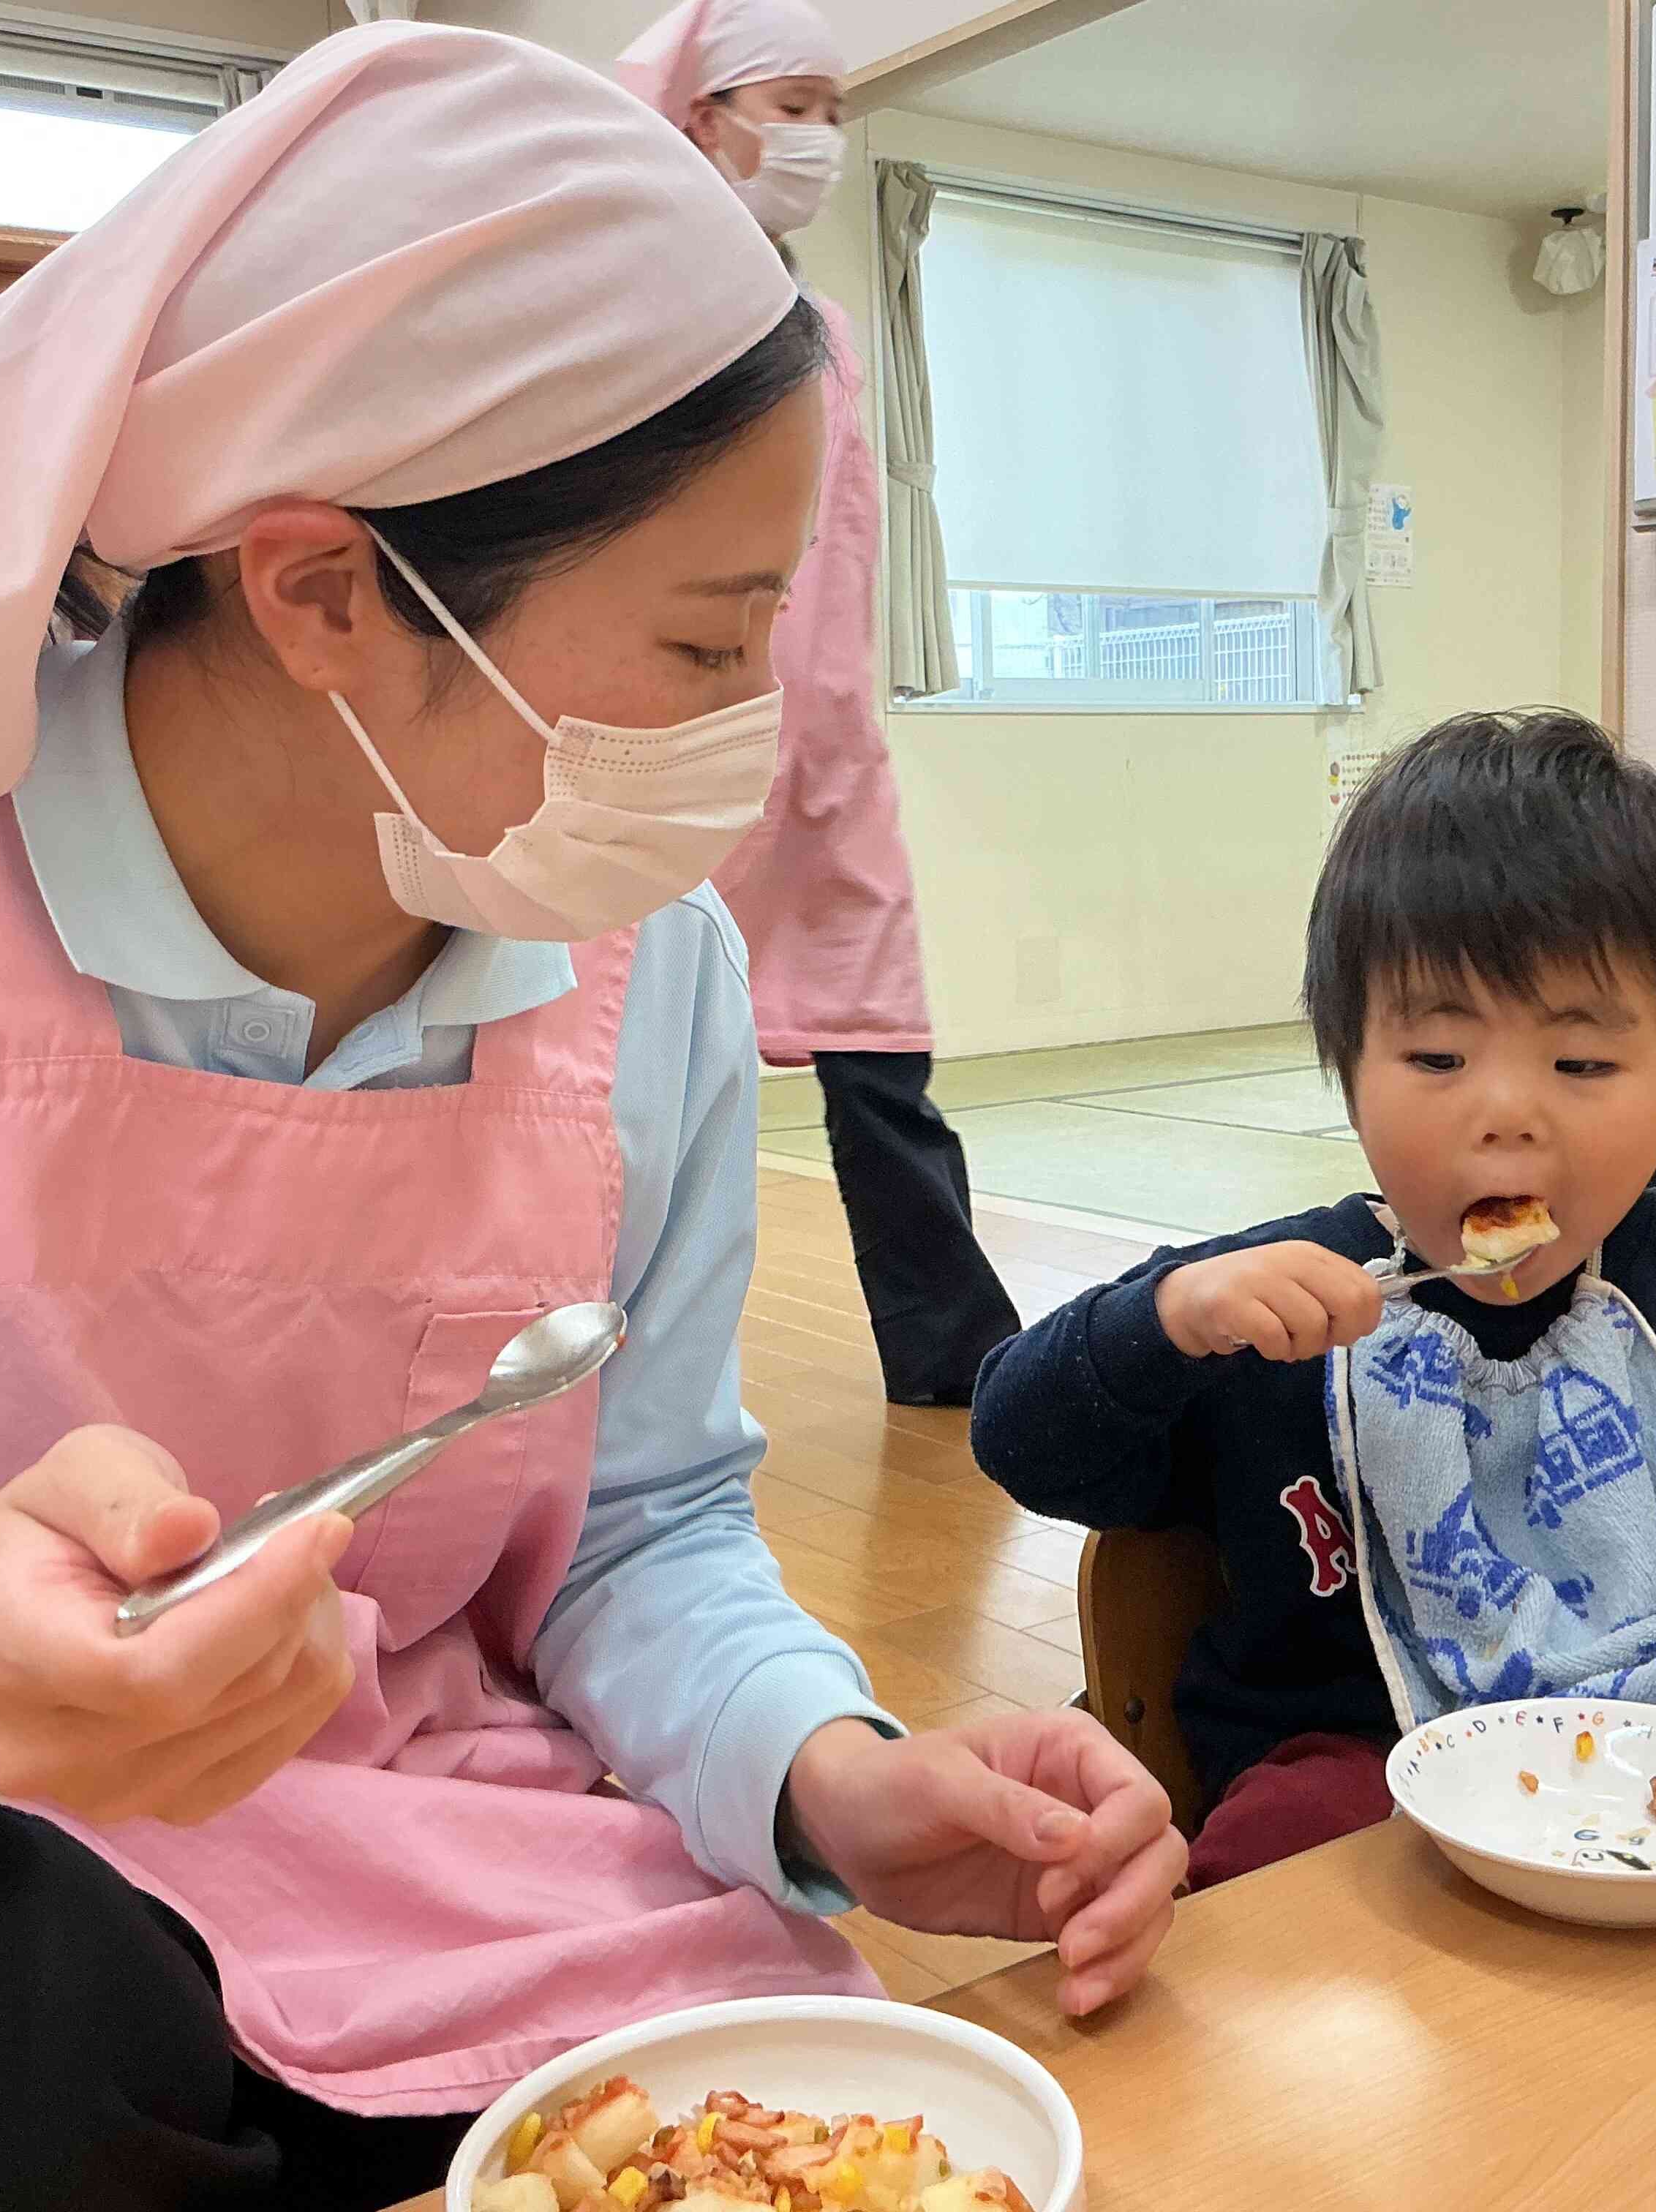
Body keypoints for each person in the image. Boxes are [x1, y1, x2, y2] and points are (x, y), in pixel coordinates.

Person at [0, 31, 1183, 2211]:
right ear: (324, 587)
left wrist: (826, 1769)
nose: (744, 736)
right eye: (706, 647)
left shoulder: (641, 962)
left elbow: (638, 1528)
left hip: (439, 1882)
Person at [969, 711, 1656, 1892]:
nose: (1503, 1111)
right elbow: (1023, 1442)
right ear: (1347, 1066)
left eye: (1581, 1064)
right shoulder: (1276, 1304)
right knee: (1275, 1856)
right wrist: (1165, 1319)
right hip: (1363, 1762)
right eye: (1436, 1057)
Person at [618, 0, 1020, 1408]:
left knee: (877, 1049)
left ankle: (959, 1352)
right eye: (787, 106)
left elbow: (843, 549)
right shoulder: (634, 297)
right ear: (697, 120)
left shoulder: (832, 328)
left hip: (827, 740)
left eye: (832, 112)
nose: (817, 140)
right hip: (661, 726)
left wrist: (839, 715)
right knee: (646, 1051)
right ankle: (629, 1359)